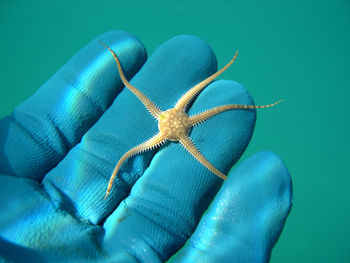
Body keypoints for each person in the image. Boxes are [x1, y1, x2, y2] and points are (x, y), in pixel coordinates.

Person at [0, 31, 292, 263]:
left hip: (172, 125)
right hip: (170, 127)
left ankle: (235, 80)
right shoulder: (172, 124)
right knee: (137, 133)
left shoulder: (175, 121)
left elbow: (136, 93)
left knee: (217, 110)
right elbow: (132, 100)